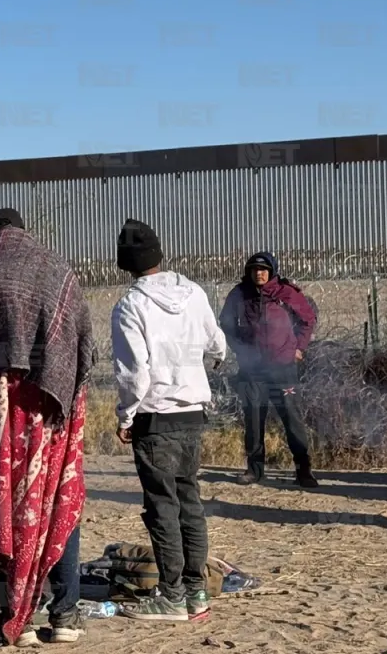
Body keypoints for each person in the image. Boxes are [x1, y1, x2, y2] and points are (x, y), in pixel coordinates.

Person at [0, 208, 94, 647]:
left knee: (3, 505)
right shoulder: (59, 272)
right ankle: (64, 615)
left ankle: (17, 619)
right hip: (49, 411)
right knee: (55, 501)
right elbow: (82, 346)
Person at [110, 219, 227, 622]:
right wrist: (195, 368)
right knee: (190, 502)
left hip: (155, 418)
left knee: (162, 507)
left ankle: (172, 596)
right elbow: (218, 344)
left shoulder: (130, 305)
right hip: (193, 414)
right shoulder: (192, 291)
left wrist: (126, 415)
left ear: (125, 263)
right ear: (159, 253)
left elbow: (134, 372)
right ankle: (196, 592)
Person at [218, 252, 319, 488]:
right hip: (252, 370)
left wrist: (299, 348)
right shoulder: (240, 294)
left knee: (291, 419)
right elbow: (226, 322)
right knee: (253, 419)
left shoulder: (285, 293)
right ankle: (254, 470)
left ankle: (303, 470)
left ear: (272, 271)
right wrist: (239, 349)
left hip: (283, 368)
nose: (259, 273)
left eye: (263, 270)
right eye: (254, 269)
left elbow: (308, 319)